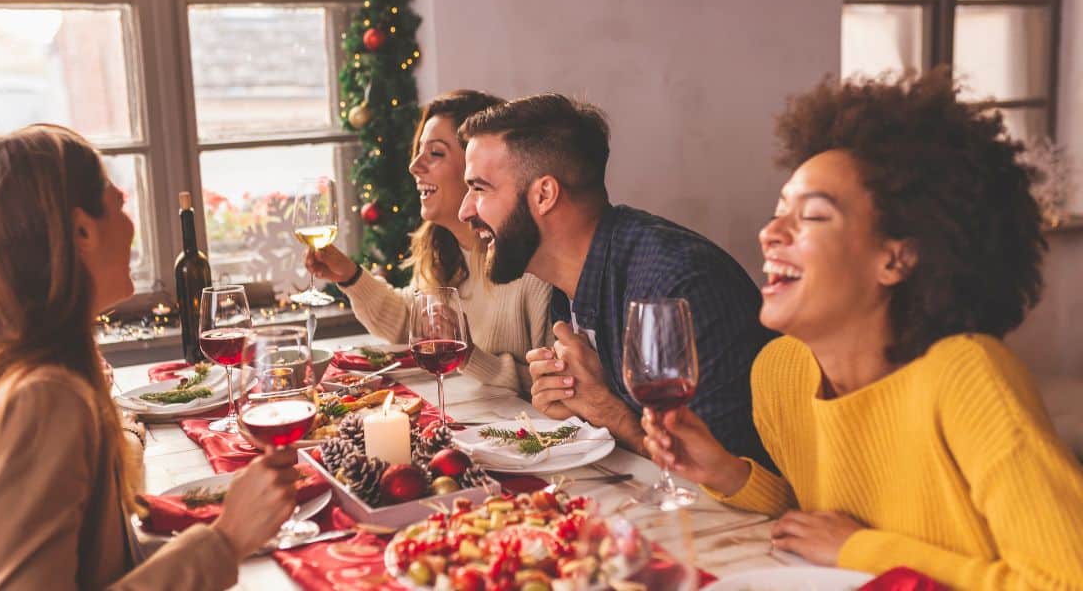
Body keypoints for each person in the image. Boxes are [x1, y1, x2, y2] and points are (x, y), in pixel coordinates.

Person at [642, 69, 1083, 589]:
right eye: (779, 210)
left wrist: (864, 550)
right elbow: (823, 520)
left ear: (896, 259)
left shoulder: (968, 376)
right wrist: (729, 475)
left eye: (812, 216)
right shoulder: (780, 371)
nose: (769, 233)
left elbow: (1062, 580)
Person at [0, 125, 300, 589]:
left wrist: (221, 537)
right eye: (120, 204)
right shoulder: (33, 401)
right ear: (81, 231)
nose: (130, 225)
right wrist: (225, 539)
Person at [457, 93, 776, 462]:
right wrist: (580, 408)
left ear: (544, 194)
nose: (465, 210)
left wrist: (605, 410)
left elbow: (724, 475)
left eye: (479, 188)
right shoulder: (564, 282)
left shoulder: (677, 287)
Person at [305, 90, 553, 394]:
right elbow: (410, 321)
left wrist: (470, 355)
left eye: (435, 153)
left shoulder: (532, 270)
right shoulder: (443, 249)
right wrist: (350, 276)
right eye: (419, 151)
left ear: (477, 165)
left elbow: (554, 389)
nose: (414, 166)